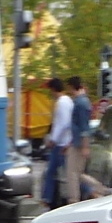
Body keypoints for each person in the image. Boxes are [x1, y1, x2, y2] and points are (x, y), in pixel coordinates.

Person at [41, 78, 72, 206]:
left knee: (62, 172)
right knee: (53, 171)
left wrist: (53, 140)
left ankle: (91, 190)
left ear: (53, 89)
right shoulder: (68, 101)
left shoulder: (62, 103)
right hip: (63, 142)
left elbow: (63, 123)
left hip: (61, 143)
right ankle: (47, 198)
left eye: (50, 90)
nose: (50, 93)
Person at [66, 76, 95, 200]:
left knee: (72, 173)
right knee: (77, 173)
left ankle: (73, 200)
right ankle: (100, 190)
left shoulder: (80, 103)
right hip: (77, 142)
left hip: (79, 144)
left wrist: (85, 146)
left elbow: (84, 127)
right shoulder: (82, 102)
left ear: (72, 87)